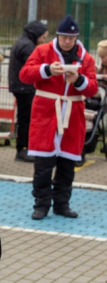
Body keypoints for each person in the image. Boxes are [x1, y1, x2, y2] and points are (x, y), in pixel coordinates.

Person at [20, 15, 98, 220]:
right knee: (43, 165)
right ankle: (41, 204)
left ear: (76, 38)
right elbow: (25, 74)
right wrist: (47, 70)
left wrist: (78, 79)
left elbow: (92, 88)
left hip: (72, 116)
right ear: (57, 36)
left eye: (70, 38)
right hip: (46, 113)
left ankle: (62, 204)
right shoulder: (43, 51)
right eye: (63, 37)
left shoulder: (86, 58)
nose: (66, 41)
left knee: (67, 165)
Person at [9, 21, 48, 162]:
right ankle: (23, 149)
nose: (43, 40)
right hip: (24, 88)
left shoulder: (23, 42)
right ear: (36, 34)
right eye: (43, 37)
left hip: (20, 87)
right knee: (26, 120)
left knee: (24, 119)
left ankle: (24, 148)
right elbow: (33, 68)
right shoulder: (28, 46)